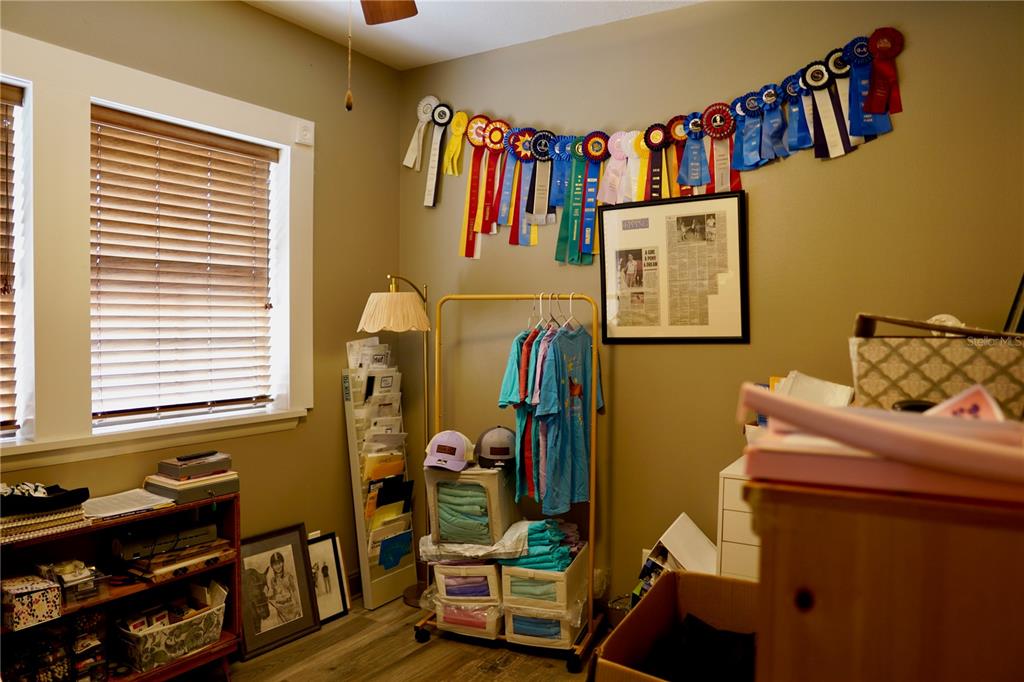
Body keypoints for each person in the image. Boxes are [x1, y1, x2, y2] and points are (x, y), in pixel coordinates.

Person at [265, 551, 302, 625]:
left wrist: (298, 605)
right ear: (272, 566)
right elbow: (273, 596)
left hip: (291, 608)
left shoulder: (289, 576)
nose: (278, 566)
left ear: (283, 563)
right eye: (275, 564)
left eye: (279, 563)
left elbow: (294, 591)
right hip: (280, 610)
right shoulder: (272, 580)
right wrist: (267, 594)